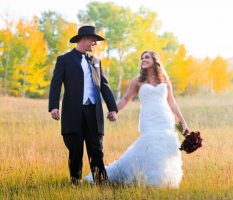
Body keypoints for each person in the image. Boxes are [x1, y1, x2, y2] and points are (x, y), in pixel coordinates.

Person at [85, 50, 189, 188]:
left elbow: (172, 103)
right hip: (148, 119)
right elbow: (126, 98)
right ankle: (148, 180)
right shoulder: (137, 81)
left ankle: (162, 181)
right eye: (142, 58)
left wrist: (183, 121)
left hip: (164, 118)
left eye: (147, 57)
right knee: (150, 145)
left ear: (155, 61)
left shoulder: (164, 79)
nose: (143, 60)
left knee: (164, 147)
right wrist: (114, 110)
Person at [48, 25, 118, 185]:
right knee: (75, 151)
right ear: (84, 39)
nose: (94, 44)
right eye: (93, 41)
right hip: (73, 113)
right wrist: (53, 106)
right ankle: (75, 184)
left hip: (93, 113)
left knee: (97, 151)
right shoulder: (64, 60)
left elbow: (104, 87)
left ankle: (102, 185)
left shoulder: (96, 62)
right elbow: (55, 85)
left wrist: (112, 109)